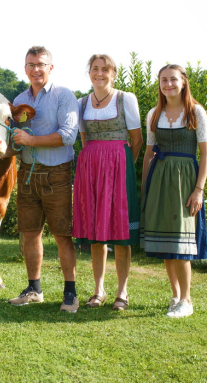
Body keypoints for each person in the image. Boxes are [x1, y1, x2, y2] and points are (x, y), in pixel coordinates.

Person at [7, 46, 79, 312]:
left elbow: (69, 135)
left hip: (56, 173)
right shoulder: (18, 98)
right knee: (29, 234)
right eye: (30, 64)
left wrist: (31, 140)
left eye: (41, 64)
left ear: (51, 67)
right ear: (25, 68)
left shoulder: (64, 95)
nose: (35, 69)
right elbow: (14, 137)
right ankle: (34, 289)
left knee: (62, 235)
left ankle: (70, 293)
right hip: (27, 173)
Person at [72, 54, 142, 311]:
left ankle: (122, 291)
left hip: (119, 165)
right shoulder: (81, 103)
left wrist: (123, 165)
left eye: (105, 70)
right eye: (95, 69)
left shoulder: (126, 99)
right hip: (90, 166)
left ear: (113, 74)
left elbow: (137, 139)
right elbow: (83, 138)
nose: (99, 74)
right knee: (96, 232)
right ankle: (98, 289)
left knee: (120, 231)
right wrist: (96, 162)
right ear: (89, 72)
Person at [141, 64, 207, 318]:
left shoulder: (196, 112)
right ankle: (176, 296)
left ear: (183, 82)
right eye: (163, 80)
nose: (168, 84)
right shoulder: (153, 114)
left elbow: (205, 154)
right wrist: (147, 188)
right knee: (166, 242)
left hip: (186, 180)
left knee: (182, 242)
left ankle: (187, 300)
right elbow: (148, 155)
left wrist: (199, 189)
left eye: (173, 79)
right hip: (159, 179)